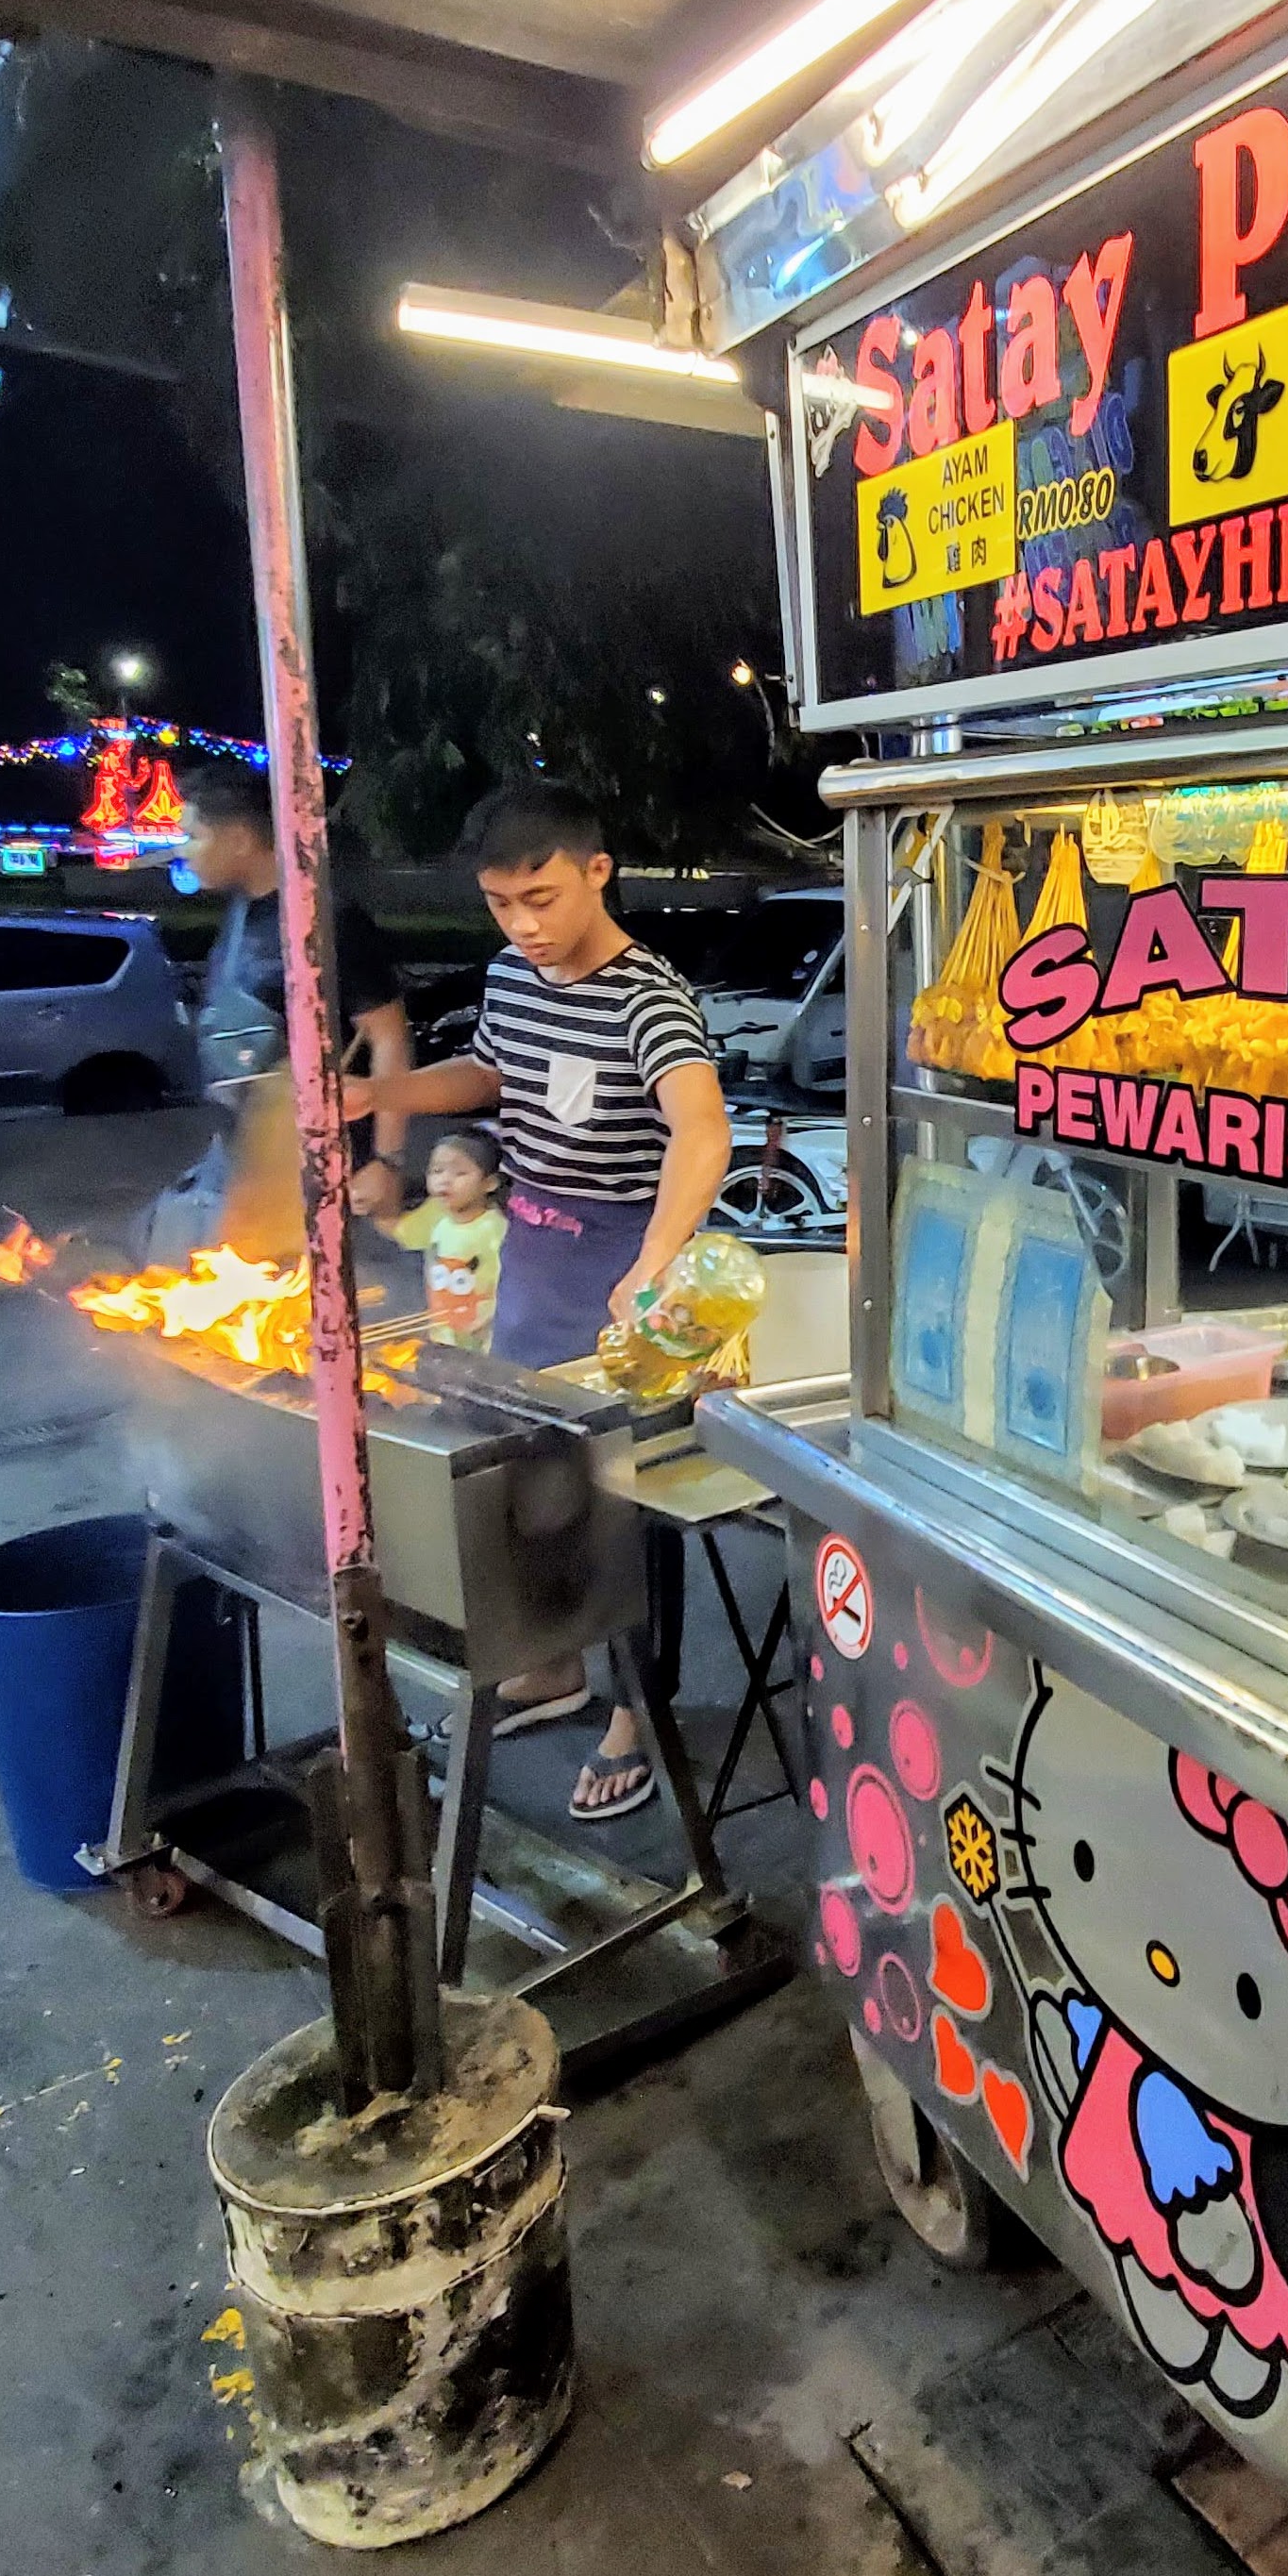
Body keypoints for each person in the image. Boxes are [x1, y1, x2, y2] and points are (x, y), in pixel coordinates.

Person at [346, 778, 731, 1820]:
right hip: (538, 1252)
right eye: (502, 904)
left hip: (622, 1265)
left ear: (597, 872)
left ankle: (633, 1711)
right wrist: (384, 1093)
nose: (524, 925)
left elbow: (700, 1129)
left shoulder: (650, 996)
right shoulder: (514, 975)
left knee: (624, 1498)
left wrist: (655, 1258)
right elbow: (488, 1075)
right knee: (530, 1481)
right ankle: (556, 1664)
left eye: (542, 898)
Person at [149, 761, 410, 1260]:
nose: (184, 850)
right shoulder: (244, 909)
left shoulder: (326, 919)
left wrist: (387, 1159)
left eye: (194, 835)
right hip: (244, 1160)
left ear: (242, 838)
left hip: (314, 1171)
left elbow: (389, 1036)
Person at [391, 1125, 508, 1346]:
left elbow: (509, 1283)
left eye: (460, 1173)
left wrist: (490, 1318)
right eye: (437, 1171)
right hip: (442, 1337)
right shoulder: (434, 1218)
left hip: (484, 1339)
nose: (445, 1180)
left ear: (490, 1182)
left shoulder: (495, 1229)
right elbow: (398, 1234)